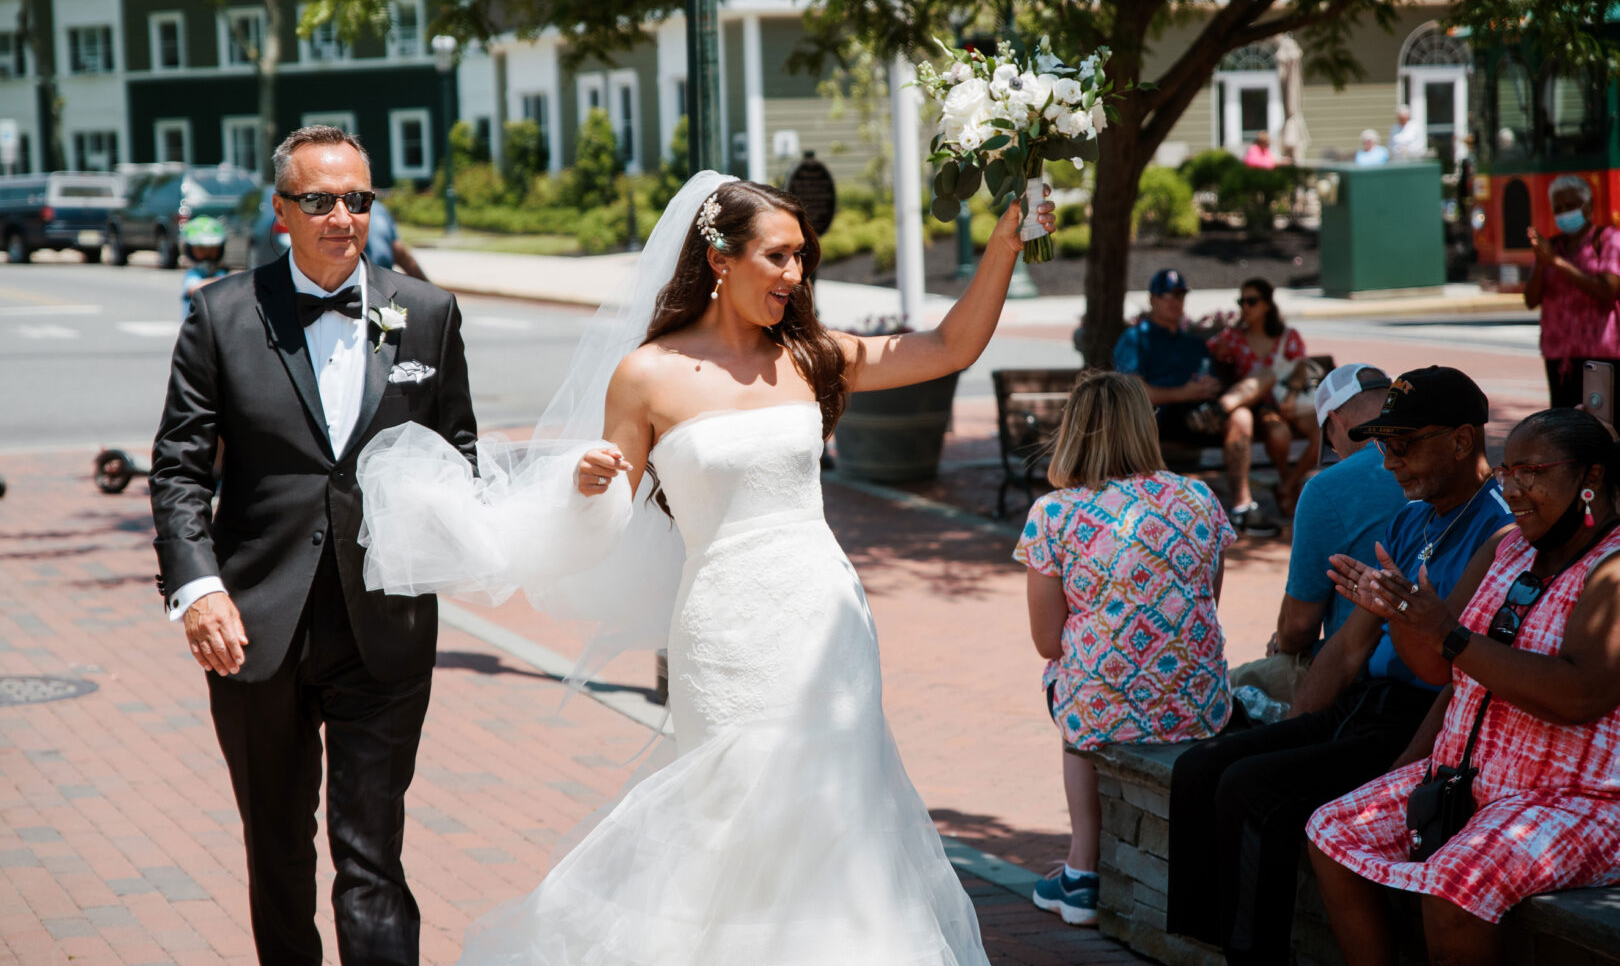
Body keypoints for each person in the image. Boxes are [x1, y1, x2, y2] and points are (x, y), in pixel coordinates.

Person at [355, 171, 1057, 963]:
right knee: (731, 820)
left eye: (802, 258)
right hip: (725, 629)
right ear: (721, 260)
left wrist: (1003, 244)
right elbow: (604, 516)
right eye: (779, 256)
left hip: (825, 620)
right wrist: (585, 483)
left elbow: (949, 347)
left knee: (839, 812)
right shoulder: (647, 373)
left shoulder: (810, 356)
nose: (796, 275)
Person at [149, 125, 479, 965]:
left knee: (371, 858)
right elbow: (180, 471)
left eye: (358, 200)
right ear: (280, 212)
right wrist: (198, 589)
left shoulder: (428, 315)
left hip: (385, 627)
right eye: (320, 200)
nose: (342, 216)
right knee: (279, 853)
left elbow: (459, 458)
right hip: (256, 628)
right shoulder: (221, 314)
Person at [1166, 365, 1514, 966]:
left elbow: (1440, 673)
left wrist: (1407, 614)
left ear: (1462, 440)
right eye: (1382, 443)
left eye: (1402, 444)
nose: (1387, 462)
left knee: (1253, 790)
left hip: (1419, 723)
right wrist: (1294, 730)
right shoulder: (1412, 518)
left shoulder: (1499, 530)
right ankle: (1206, 947)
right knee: (1202, 766)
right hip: (1364, 707)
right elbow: (1349, 646)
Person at [1310, 408, 1620, 966]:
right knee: (1331, 831)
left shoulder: (1612, 570)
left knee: (1454, 883)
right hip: (1470, 779)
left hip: (1573, 799)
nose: (1515, 489)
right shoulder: (1508, 549)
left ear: (1590, 478)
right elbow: (1441, 670)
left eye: (1534, 472)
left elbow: (1580, 695)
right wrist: (1402, 612)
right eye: (1508, 471)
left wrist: (1447, 634)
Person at [1016, 369, 1235, 927]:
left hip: (1104, 706)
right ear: (1145, 426)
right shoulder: (1200, 497)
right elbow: (1207, 600)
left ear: (1073, 430)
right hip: (1200, 702)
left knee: (1068, 684)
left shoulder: (1055, 513)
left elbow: (1046, 641)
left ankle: (1082, 870)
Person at [1242, 365, 1406, 706]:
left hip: (1358, 675)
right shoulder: (1438, 467)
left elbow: (1299, 626)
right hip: (1435, 667)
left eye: (1329, 440)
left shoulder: (1327, 487)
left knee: (1228, 690)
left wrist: (1281, 643)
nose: (1335, 451)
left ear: (1336, 420)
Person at [1113, 268, 1279, 536]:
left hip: (1206, 413)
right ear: (1153, 299)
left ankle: (1241, 508)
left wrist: (1211, 393)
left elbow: (1211, 380)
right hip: (1160, 418)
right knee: (1232, 412)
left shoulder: (1194, 343)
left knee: (1244, 413)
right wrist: (1185, 392)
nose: (1175, 301)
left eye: (1180, 295)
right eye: (1168, 295)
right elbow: (1130, 390)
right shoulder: (1135, 338)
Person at [1205, 277, 1321, 515]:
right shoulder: (1233, 337)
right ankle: (1286, 484)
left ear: (1267, 304)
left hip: (1290, 401)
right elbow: (1205, 351)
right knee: (1279, 434)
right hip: (1259, 406)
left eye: (1252, 301)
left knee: (1322, 434)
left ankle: (1287, 485)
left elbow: (1300, 367)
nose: (1245, 307)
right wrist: (1219, 355)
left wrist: (1292, 394)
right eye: (1242, 301)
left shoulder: (1287, 336)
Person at [1522, 173, 1620, 409]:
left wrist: (1556, 263)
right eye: (1559, 208)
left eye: (1571, 206)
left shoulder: (1608, 240)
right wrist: (1542, 261)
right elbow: (1531, 300)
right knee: (1564, 432)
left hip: (1602, 356)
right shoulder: (1551, 247)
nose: (1565, 213)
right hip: (1559, 358)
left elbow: (1608, 290)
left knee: (1603, 427)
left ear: (1588, 206)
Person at [364, 197, 429, 280]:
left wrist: (428, 288)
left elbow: (399, 252)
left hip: (383, 280)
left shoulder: (379, 209)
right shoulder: (378, 209)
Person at [179, 214, 229, 317]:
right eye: (201, 250)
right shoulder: (193, 274)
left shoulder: (221, 273)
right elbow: (193, 288)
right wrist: (221, 281)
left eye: (212, 250)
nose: (207, 255)